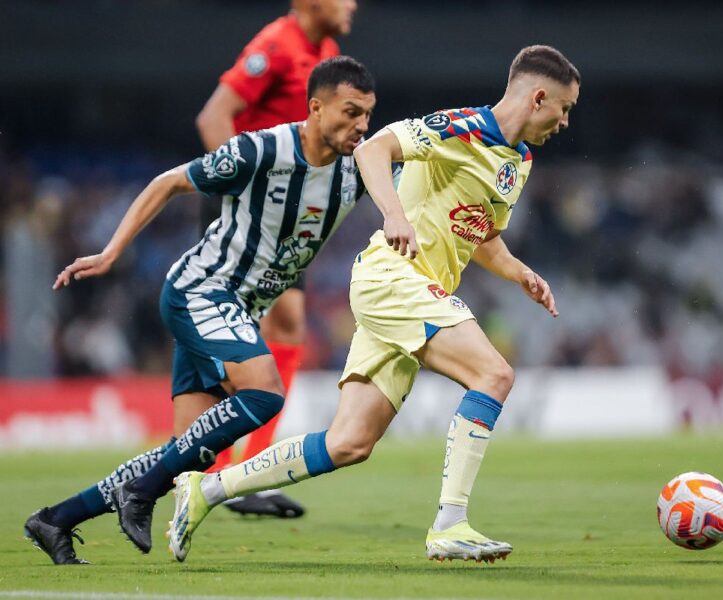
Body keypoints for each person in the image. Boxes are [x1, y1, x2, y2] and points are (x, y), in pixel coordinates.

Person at [168, 44, 580, 564]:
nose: (565, 121)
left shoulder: (517, 162)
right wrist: (394, 214)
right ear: (539, 97)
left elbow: (479, 233)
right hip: (393, 278)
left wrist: (521, 272)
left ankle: (206, 490)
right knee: (493, 374)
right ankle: (450, 524)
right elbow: (371, 151)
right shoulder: (461, 127)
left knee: (348, 443)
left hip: (412, 292)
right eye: (564, 108)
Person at [23, 56, 376, 565]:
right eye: (350, 112)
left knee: (186, 452)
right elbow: (168, 182)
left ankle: (55, 521)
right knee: (264, 392)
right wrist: (111, 250)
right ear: (315, 108)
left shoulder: (357, 169)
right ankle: (139, 493)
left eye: (367, 114)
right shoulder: (261, 149)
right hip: (201, 292)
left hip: (239, 309)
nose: (360, 125)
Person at [196, 0, 358, 518]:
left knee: (288, 325)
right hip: (249, 213)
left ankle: (249, 471)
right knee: (238, 335)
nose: (353, 4)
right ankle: (212, 468)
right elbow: (213, 116)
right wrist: (243, 187)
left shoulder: (327, 52)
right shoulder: (275, 46)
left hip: (288, 216)